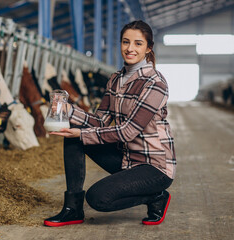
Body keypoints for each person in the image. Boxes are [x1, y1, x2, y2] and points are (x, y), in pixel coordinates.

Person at [44, 20, 176, 227]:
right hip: (126, 158)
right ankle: (72, 208)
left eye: (138, 43)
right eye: (126, 42)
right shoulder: (116, 79)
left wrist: (81, 135)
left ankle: (156, 196)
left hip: (153, 167)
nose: (130, 48)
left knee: (99, 199)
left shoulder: (155, 83)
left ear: (148, 48)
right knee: (76, 132)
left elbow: (129, 131)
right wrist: (69, 111)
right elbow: (100, 121)